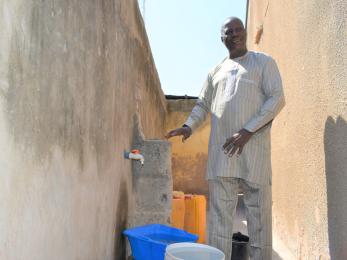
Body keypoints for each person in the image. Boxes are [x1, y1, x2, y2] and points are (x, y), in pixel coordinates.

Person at [165, 17, 285, 259]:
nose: (235, 34)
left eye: (238, 29)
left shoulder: (263, 63)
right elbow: (202, 105)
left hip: (255, 155)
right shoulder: (215, 72)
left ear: (245, 32)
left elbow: (277, 98)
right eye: (228, 32)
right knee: (220, 222)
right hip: (223, 157)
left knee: (260, 219)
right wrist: (188, 126)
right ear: (222, 39)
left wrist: (247, 131)